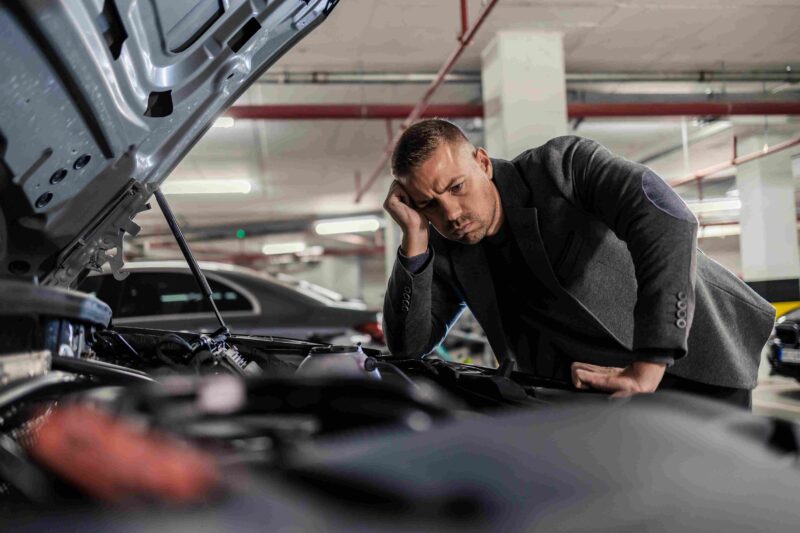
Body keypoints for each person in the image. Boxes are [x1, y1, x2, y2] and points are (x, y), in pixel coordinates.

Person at [382, 119, 775, 409]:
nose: (450, 213)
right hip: (599, 390)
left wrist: (650, 363)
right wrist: (414, 238)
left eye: (456, 187)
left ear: (483, 163)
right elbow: (408, 347)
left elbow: (667, 219)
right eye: (428, 203)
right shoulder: (447, 247)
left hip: (691, 360)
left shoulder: (562, 168)